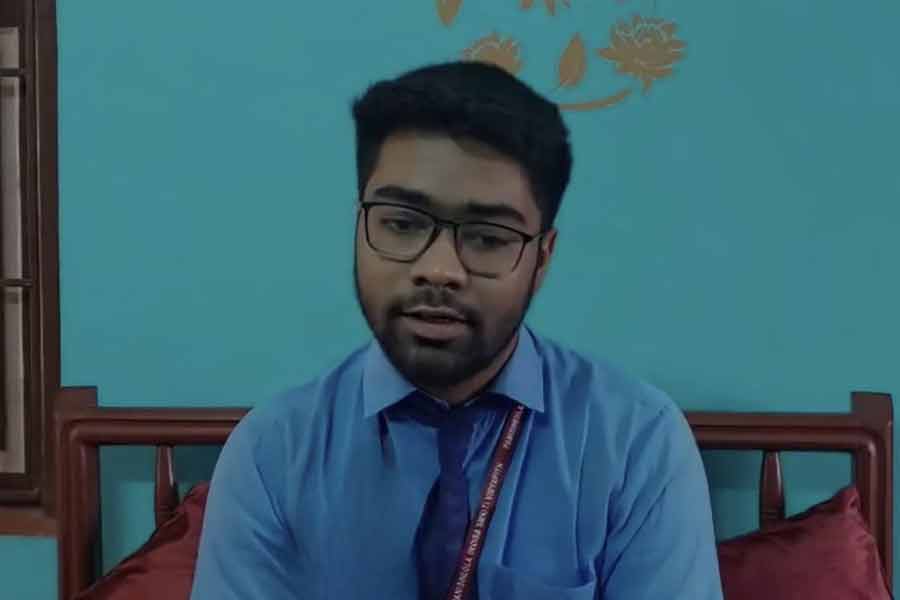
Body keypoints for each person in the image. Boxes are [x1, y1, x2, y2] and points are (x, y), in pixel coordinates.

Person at [191, 61, 723, 600]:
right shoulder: (272, 455)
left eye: (488, 237)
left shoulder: (636, 443)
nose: (440, 269)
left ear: (541, 259)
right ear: (359, 225)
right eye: (402, 224)